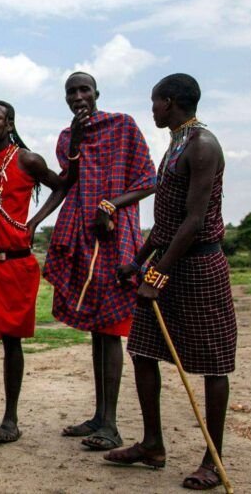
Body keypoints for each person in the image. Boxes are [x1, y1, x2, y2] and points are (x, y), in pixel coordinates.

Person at [105, 74, 237, 491]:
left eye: (155, 102)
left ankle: (212, 461)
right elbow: (167, 221)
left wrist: (156, 277)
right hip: (169, 261)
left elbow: (194, 222)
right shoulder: (176, 143)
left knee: (213, 365)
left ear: (171, 101)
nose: (152, 110)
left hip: (199, 267)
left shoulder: (202, 146)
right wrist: (137, 262)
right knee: (143, 350)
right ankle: (152, 445)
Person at [31, 72, 156, 451]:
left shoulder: (123, 126)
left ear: (96, 93)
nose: (78, 96)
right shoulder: (69, 137)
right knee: (96, 329)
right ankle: (100, 416)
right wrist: (35, 222)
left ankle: (112, 425)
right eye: (72, 92)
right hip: (81, 235)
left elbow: (149, 180)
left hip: (116, 237)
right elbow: (67, 184)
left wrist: (112, 205)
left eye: (84, 90)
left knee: (112, 326)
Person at [0, 100, 77, 451]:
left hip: (16, 263)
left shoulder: (28, 160)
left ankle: (10, 420)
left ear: (9, 124)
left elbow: (61, 185)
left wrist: (35, 221)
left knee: (12, 340)